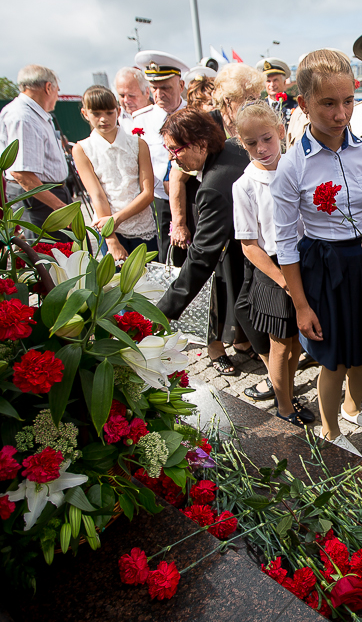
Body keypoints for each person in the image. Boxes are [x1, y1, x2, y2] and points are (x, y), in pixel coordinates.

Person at [271, 49, 362, 455]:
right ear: (303, 103)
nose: (341, 114)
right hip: (323, 267)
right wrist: (302, 306)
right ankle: (330, 430)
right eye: (328, 103)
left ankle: (354, 408)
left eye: (348, 101)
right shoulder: (293, 166)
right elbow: (286, 243)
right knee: (335, 358)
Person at [231, 100, 314, 427]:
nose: (261, 148)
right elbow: (249, 245)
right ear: (242, 143)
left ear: (281, 132)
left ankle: (288, 392)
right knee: (280, 345)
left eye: (267, 138)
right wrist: (283, 280)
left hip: (303, 260)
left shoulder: (298, 167)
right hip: (274, 270)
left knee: (296, 343)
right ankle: (283, 407)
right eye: (251, 143)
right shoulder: (245, 185)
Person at [155, 108, 249, 359]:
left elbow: (201, 258)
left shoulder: (213, 188)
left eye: (176, 150)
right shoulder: (232, 147)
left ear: (201, 144)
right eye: (169, 151)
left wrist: (163, 310)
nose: (173, 159)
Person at [72, 85, 156, 260]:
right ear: (85, 113)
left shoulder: (138, 144)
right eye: (96, 113)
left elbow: (147, 193)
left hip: (142, 227)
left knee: (149, 284)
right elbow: (97, 196)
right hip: (110, 230)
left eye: (109, 112)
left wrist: (116, 219)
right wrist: (110, 239)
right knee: (116, 285)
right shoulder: (82, 149)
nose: (104, 119)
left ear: (118, 112)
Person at [0, 65, 69, 237]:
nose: (58, 95)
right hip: (39, 200)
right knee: (49, 255)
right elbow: (22, 173)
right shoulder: (23, 117)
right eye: (58, 89)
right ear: (48, 87)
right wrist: (58, 207)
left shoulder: (33, 114)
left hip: (45, 196)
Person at [115, 66, 173, 263]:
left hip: (161, 196)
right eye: (121, 95)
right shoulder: (119, 122)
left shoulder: (160, 116)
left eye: (131, 95)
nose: (125, 101)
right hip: (139, 202)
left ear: (145, 92)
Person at [136, 50, 188, 115]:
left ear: (181, 86)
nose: (159, 95)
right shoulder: (142, 120)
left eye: (165, 88)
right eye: (154, 88)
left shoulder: (197, 117)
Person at [260, 58, 298, 130]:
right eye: (268, 81)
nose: (272, 85)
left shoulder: (295, 104)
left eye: (275, 80)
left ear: (284, 82)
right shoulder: (260, 107)